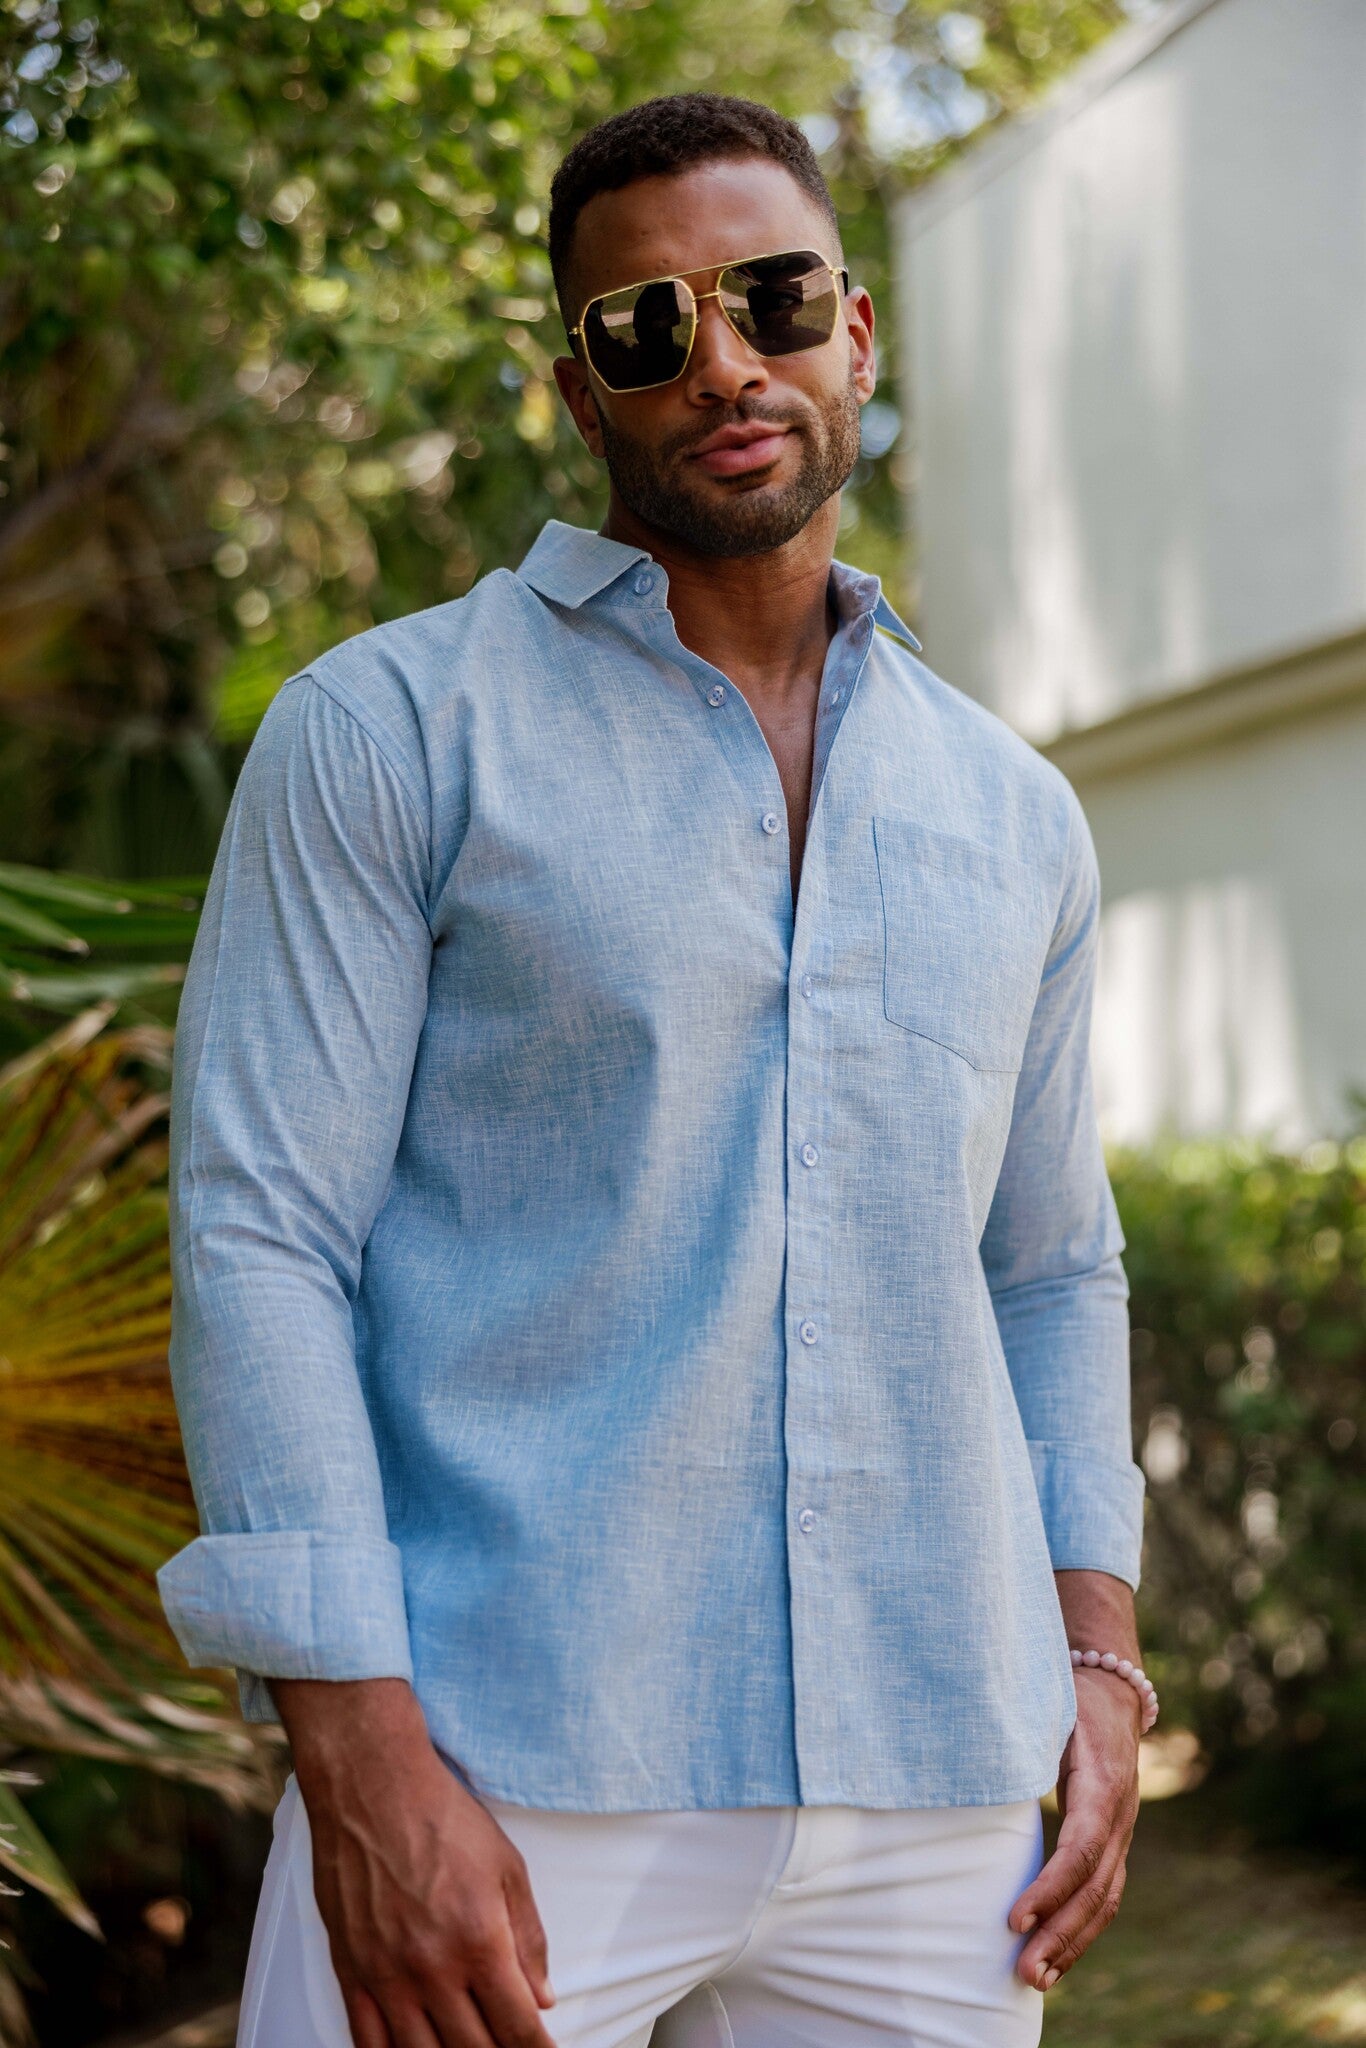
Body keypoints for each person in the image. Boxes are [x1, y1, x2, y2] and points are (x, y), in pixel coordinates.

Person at [157, 92, 1152, 2048]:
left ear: (852, 328)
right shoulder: (388, 731)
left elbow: (1048, 1267)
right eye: (642, 328)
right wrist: (359, 1757)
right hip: (505, 1758)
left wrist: (1097, 1659)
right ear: (575, 391)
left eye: (769, 298)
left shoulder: (1012, 811)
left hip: (932, 1781)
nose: (721, 364)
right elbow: (260, 1237)